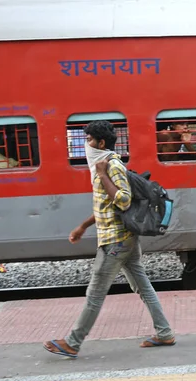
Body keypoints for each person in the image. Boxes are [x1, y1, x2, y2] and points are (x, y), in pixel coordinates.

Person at [43, 120, 174, 358]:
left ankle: (73, 342)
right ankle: (164, 332)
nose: (87, 144)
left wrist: (103, 175)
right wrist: (83, 226)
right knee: (142, 285)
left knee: (95, 294)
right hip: (122, 237)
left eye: (90, 139)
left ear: (101, 143)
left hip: (115, 240)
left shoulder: (111, 166)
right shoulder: (103, 165)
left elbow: (123, 200)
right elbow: (107, 205)